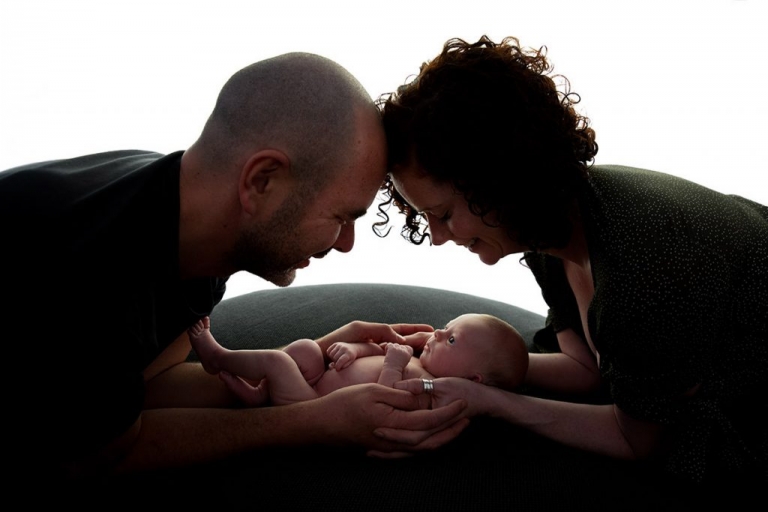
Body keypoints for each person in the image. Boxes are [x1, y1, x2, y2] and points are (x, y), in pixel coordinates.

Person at [1, 52, 470, 485]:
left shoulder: (194, 225)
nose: (345, 244)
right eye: (342, 217)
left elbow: (148, 386)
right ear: (261, 181)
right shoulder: (92, 274)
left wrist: (308, 364)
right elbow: (100, 453)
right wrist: (314, 420)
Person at [372, 35, 767, 495]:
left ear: (496, 178)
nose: (438, 238)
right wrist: (468, 361)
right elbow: (586, 367)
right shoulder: (553, 235)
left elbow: (638, 439)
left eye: (442, 215)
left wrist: (490, 401)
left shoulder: (639, 264)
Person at [188, 313, 528, 405]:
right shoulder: (416, 358)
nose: (437, 334)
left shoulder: (434, 393)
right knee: (306, 348)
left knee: (279, 364)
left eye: (452, 339)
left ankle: (218, 357)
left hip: (313, 403)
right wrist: (353, 349)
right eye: (445, 327)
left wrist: (394, 367)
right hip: (320, 378)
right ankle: (262, 393)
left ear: (473, 379)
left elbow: (386, 403)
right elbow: (375, 351)